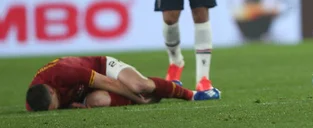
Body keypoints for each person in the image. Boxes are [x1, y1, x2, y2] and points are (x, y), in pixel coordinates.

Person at [25, 56, 194, 111]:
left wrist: (137, 99)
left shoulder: (65, 72)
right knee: (97, 101)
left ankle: (189, 94)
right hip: (85, 91)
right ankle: (161, 89)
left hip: (102, 68)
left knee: (139, 87)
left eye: (57, 104)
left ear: (52, 91)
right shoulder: (34, 102)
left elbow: (108, 82)